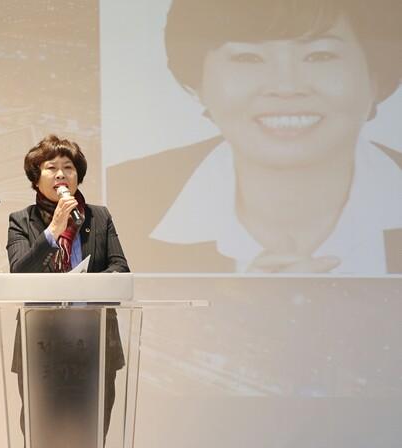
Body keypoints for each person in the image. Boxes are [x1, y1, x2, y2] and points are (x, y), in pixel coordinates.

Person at [107, 0, 402, 274]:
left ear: (375, 76)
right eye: (249, 57)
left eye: (319, 55)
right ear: (198, 82)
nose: (286, 87)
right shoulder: (121, 193)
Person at [7, 134, 129, 448]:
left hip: (95, 343)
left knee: (90, 440)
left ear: (78, 176)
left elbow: (120, 269)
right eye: (52, 168)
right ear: (36, 178)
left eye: (69, 167)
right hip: (42, 346)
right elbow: (20, 273)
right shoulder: (21, 221)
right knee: (40, 441)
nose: (61, 174)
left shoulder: (99, 218)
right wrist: (53, 231)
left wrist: (82, 286)